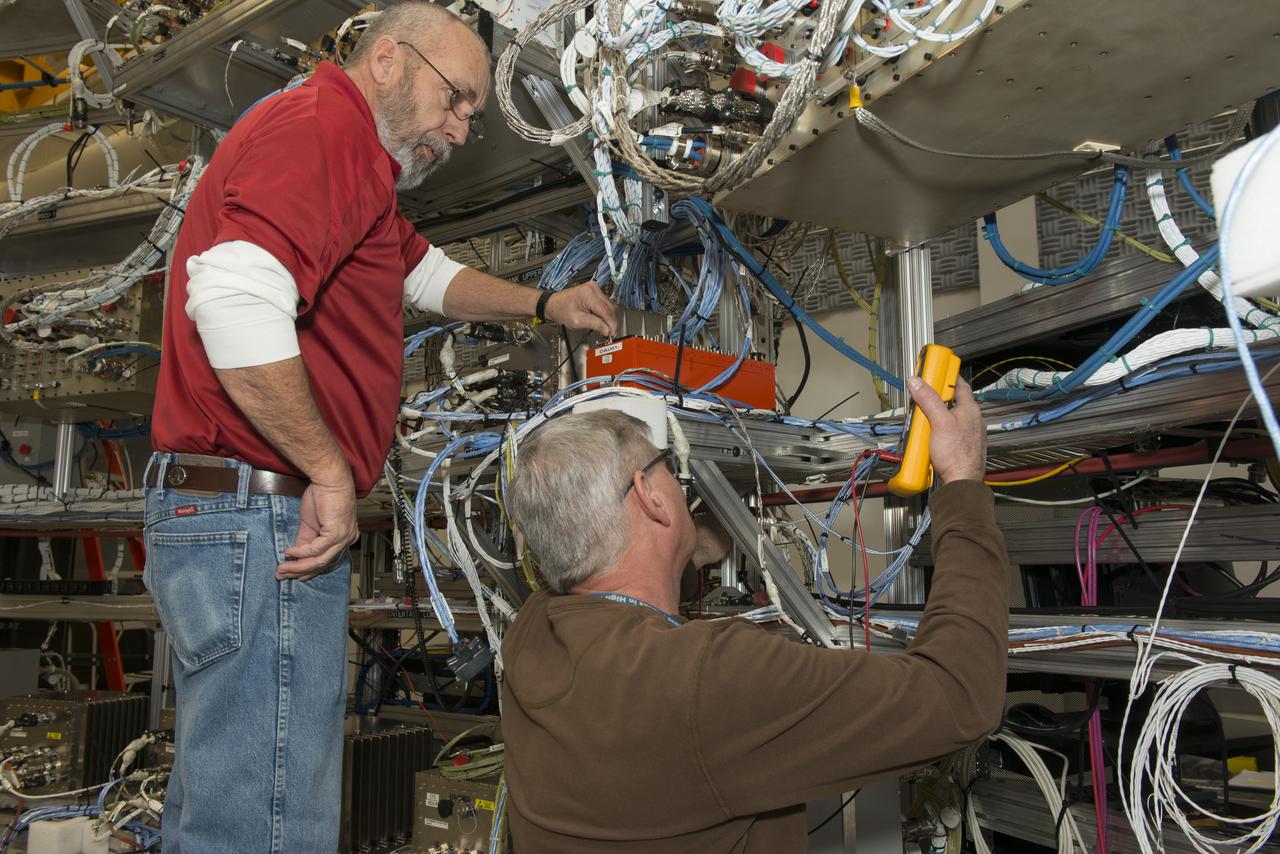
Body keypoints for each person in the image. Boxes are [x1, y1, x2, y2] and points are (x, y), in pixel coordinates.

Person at [143, 3, 617, 851]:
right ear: (389, 60)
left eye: (474, 113)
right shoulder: (322, 127)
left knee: (229, 807)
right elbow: (231, 296)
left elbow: (423, 273)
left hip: (246, 521)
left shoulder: (357, 162)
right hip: (265, 517)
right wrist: (328, 470)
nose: (464, 129)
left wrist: (547, 303)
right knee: (268, 823)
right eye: (458, 99)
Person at [501, 377, 1009, 852]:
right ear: (650, 496)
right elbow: (960, 694)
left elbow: (616, 582)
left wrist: (689, 544)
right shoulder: (708, 679)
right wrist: (962, 482)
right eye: (668, 470)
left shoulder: (530, 632)